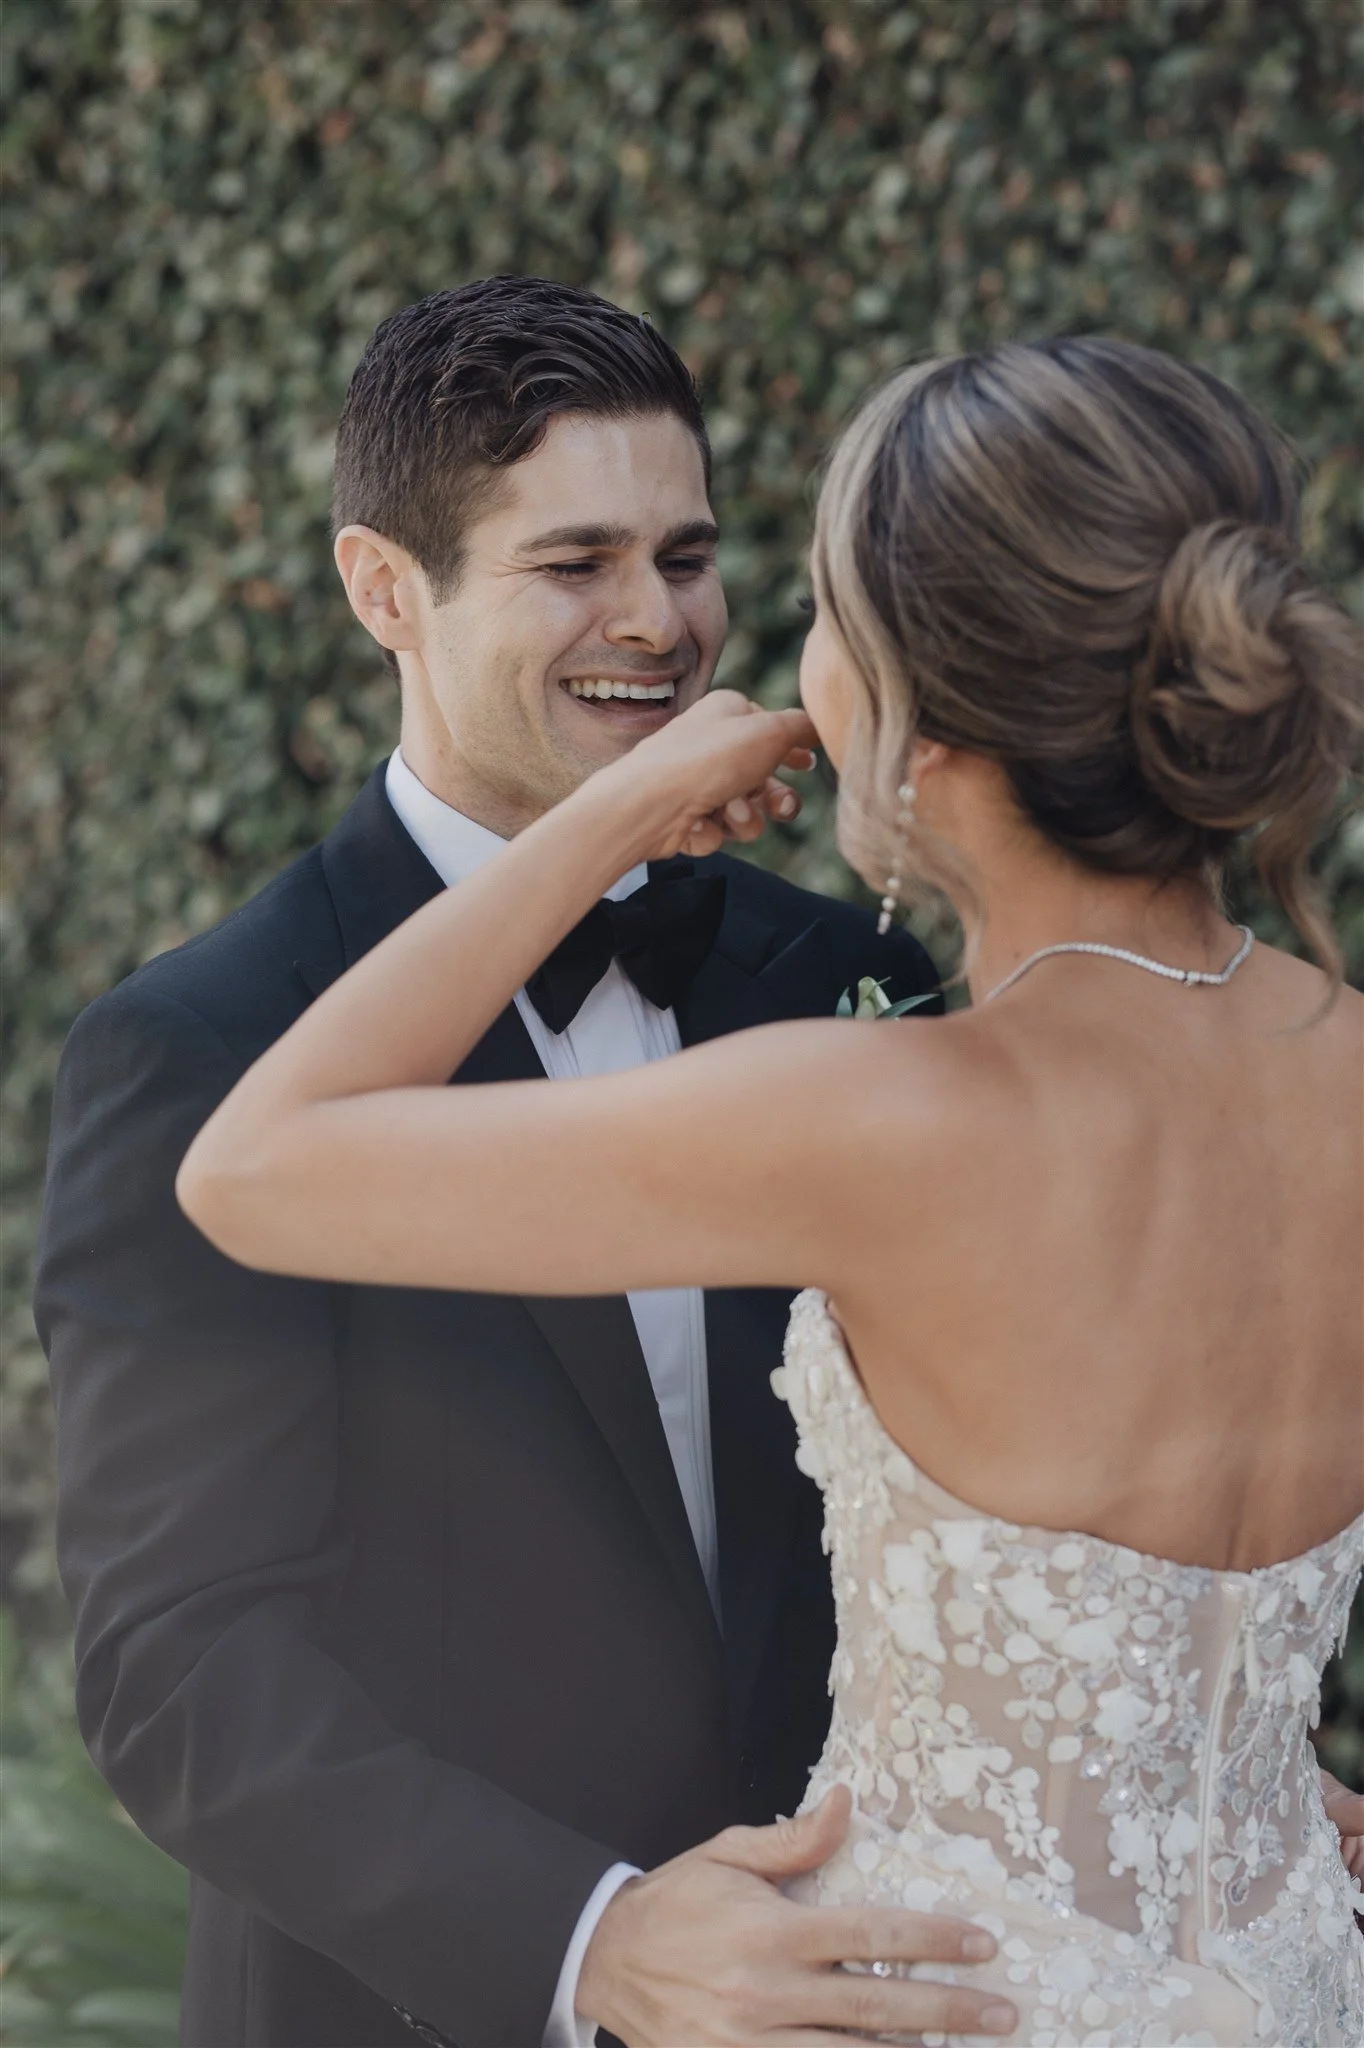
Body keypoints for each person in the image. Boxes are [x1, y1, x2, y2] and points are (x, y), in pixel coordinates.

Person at [180, 336, 1364, 2047]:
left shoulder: (885, 1113)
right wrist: (1227, 1761)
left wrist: (611, 816)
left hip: (938, 2008)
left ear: (914, 706)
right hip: (1291, 1982)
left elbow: (254, 1166)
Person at [36, 277, 1023, 2048]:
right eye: (576, 565)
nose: (658, 621)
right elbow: (179, 1669)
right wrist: (587, 1943)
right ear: (381, 591)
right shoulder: (201, 1049)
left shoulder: (835, 973)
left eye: (688, 552)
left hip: (860, 1985)